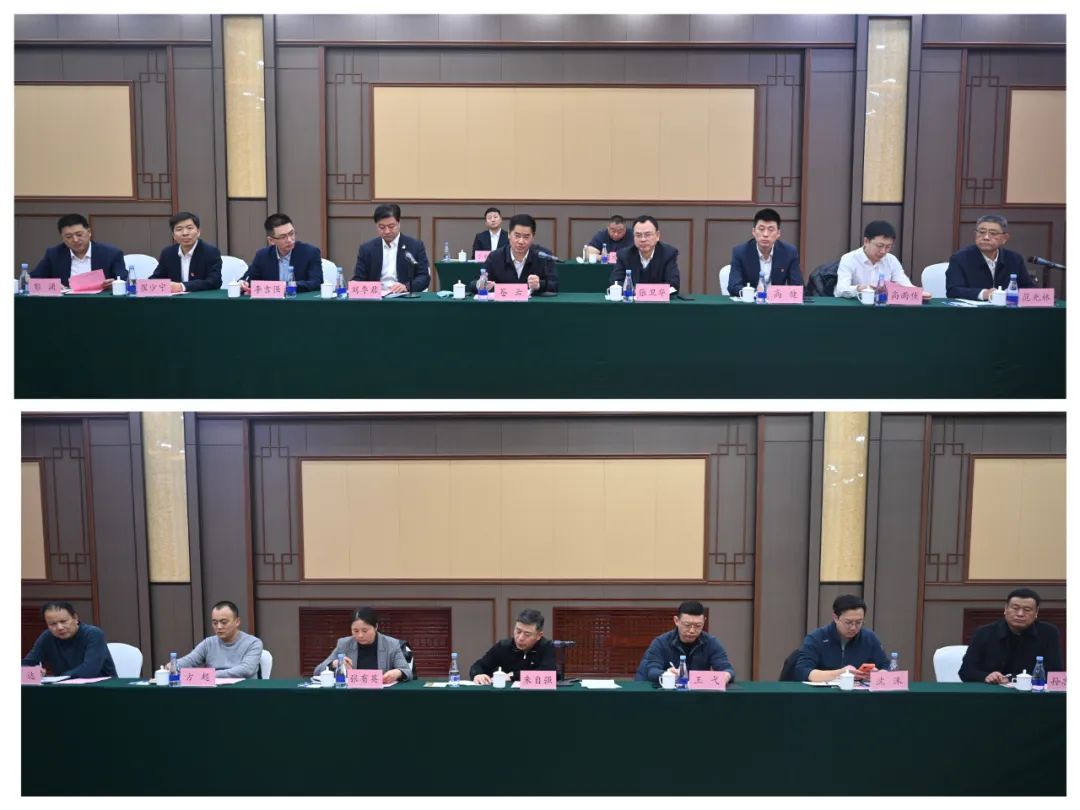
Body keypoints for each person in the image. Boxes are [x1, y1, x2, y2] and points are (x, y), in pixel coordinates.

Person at [959, 588, 1063, 684]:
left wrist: (1013, 678)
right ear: (1006, 609)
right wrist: (986, 676)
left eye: (1027, 609)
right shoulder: (984, 632)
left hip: (1030, 692)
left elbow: (1056, 674)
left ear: (1036, 612)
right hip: (992, 691)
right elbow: (965, 671)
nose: (1020, 614)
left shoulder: (1048, 633)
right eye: (1015, 608)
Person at [793, 594, 889, 682]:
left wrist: (877, 675)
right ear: (835, 618)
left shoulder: (869, 638)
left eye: (859, 622)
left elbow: (886, 667)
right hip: (823, 693)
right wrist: (840, 673)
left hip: (858, 693)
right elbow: (803, 671)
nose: (853, 627)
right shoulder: (817, 637)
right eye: (848, 622)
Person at [634, 601, 735, 684]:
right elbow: (652, 671)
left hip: (698, 695)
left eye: (698, 626)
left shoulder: (712, 643)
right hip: (666, 693)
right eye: (687, 625)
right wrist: (667, 674)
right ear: (676, 621)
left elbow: (727, 669)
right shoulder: (661, 642)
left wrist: (727, 675)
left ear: (704, 621)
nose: (692, 630)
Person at [165, 600, 263, 679]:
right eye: (215, 623)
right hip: (213, 689)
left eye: (224, 622)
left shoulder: (253, 643)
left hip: (243, 690)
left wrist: (210, 675)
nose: (219, 627)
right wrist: (173, 665)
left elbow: (246, 670)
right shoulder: (208, 643)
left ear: (237, 622)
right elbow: (190, 660)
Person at [945, 214, 1033, 300]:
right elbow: (953, 290)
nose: (986, 237)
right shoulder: (960, 258)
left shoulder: (1015, 259)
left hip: (1007, 307)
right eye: (981, 232)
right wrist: (984, 294)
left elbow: (1028, 289)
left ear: (1004, 238)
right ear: (975, 234)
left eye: (993, 233)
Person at [834, 220, 930, 299]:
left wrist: (917, 292)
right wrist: (859, 288)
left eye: (888, 247)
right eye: (879, 246)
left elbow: (904, 283)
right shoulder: (849, 259)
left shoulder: (891, 260)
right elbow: (840, 290)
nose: (883, 251)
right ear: (866, 241)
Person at [313, 606, 411, 684]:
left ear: (376, 627)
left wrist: (397, 673)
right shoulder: (344, 644)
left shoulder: (391, 644)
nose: (360, 635)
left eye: (365, 631)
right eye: (355, 631)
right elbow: (317, 671)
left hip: (382, 695)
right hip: (352, 695)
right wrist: (335, 663)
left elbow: (407, 671)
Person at [22, 600, 117, 678]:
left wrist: (59, 677)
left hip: (102, 688)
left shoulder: (93, 634)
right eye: (52, 624)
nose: (59, 627)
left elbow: (90, 670)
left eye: (63, 621)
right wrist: (33, 672)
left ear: (75, 618)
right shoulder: (47, 637)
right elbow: (25, 664)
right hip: (65, 688)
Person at [468, 213, 558, 295]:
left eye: (526, 237)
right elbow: (473, 284)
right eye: (517, 236)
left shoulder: (543, 256)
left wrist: (539, 284)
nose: (521, 241)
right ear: (509, 234)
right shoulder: (495, 257)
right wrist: (483, 284)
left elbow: (555, 285)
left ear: (533, 237)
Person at [30, 213, 126, 287]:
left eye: (79, 234)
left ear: (89, 232)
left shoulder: (111, 253)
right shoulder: (54, 254)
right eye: (69, 237)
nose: (75, 240)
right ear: (62, 237)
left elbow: (124, 280)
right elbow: (33, 279)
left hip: (99, 303)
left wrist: (114, 284)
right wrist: (52, 285)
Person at [352, 203, 430, 293]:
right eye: (382, 227)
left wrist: (407, 287)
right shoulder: (366, 249)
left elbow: (424, 277)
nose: (387, 231)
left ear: (399, 223)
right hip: (376, 298)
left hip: (404, 296)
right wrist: (355, 284)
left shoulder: (415, 246)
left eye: (391, 226)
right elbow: (359, 278)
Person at [726, 208, 803, 296]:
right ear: (754, 231)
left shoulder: (789, 252)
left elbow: (798, 287)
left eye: (771, 230)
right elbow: (733, 286)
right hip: (751, 301)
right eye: (761, 229)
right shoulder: (740, 252)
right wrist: (756, 294)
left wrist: (775, 295)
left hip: (776, 302)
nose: (765, 234)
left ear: (778, 233)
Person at [242, 213, 323, 294]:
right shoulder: (262, 256)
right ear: (271, 240)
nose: (290, 240)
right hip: (271, 301)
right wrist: (243, 284)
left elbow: (316, 282)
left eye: (291, 233)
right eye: (283, 237)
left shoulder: (310, 252)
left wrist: (286, 286)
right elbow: (248, 279)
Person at [470, 609, 556, 684]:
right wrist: (477, 675)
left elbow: (548, 674)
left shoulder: (547, 647)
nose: (520, 638)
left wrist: (512, 676)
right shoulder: (503, 646)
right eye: (518, 631)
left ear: (539, 636)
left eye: (527, 634)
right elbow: (478, 666)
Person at [149, 211, 223, 293]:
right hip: (174, 300)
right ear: (173, 235)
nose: (185, 233)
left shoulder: (210, 252)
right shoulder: (168, 253)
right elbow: (156, 278)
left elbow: (215, 281)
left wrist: (182, 287)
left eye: (189, 228)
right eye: (179, 229)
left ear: (198, 232)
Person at [609, 215, 680, 292]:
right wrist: (635, 292)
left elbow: (673, 284)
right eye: (638, 235)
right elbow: (615, 282)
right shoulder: (624, 255)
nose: (643, 239)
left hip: (658, 299)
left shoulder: (668, 254)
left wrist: (644, 292)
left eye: (647, 235)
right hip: (632, 299)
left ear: (657, 236)